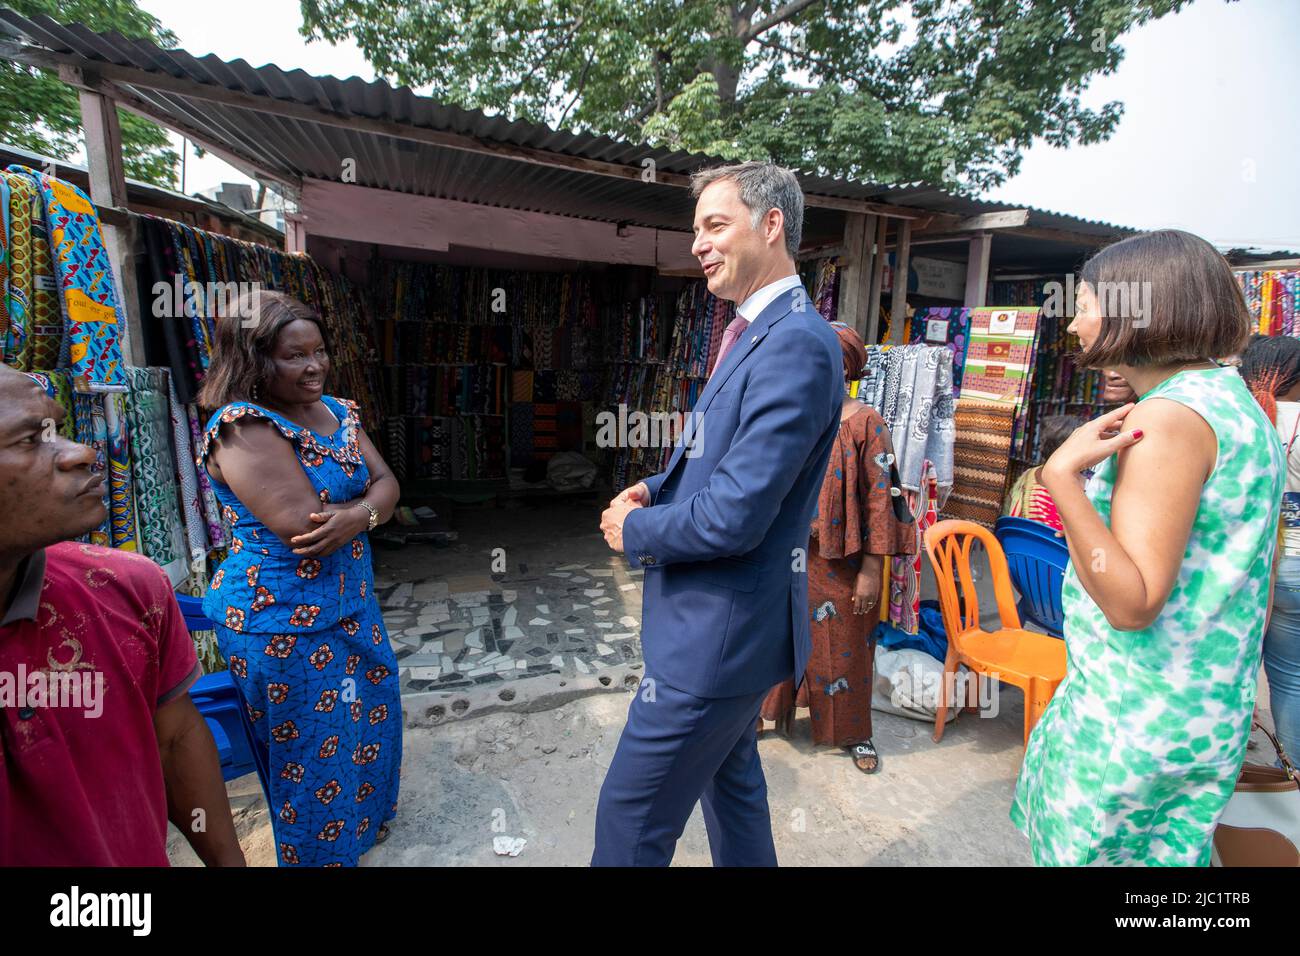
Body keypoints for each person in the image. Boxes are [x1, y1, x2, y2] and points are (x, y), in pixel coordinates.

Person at [593, 162, 842, 866]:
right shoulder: (757, 331)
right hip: (731, 633)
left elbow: (736, 515)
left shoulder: (794, 342)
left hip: (715, 642)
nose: (698, 244)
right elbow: (721, 459)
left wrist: (633, 530)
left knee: (630, 819)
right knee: (733, 796)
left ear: (772, 225)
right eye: (695, 229)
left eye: (714, 225)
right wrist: (654, 486)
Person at [1011, 229, 1284, 866]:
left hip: (1134, 725)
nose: (1074, 324)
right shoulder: (1235, 405)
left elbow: (1132, 604)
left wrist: (1060, 478)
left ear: (1136, 310)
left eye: (1084, 303)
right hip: (1192, 711)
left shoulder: (1164, 420)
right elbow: (1258, 580)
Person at [0, 365, 244, 866]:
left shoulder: (125, 588)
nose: (83, 452)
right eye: (30, 439)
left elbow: (174, 739)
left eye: (56, 429)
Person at [197, 291, 402, 867]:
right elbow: (304, 525)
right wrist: (367, 509)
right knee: (310, 752)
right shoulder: (242, 427)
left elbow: (388, 483)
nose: (314, 366)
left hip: (350, 601)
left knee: (369, 713)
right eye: (294, 356)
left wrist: (361, 513)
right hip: (282, 621)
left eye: (319, 351)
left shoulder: (339, 410)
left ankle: (361, 829)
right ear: (254, 360)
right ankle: (321, 857)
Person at [758, 322, 915, 774]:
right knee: (777, 638)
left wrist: (871, 570)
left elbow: (883, 501)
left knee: (845, 643)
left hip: (843, 563)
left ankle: (853, 732)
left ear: (844, 367)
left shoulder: (867, 422)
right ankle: (761, 713)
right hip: (789, 556)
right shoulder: (793, 418)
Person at [1239, 334, 1300, 761]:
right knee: (1291, 677)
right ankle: (1291, 774)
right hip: (1295, 566)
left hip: (1247, 562)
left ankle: (1229, 757)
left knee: (1235, 668)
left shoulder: (1242, 416)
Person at [1002, 415, 1085, 533]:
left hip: (1017, 541)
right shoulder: (1075, 483)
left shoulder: (1029, 474)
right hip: (1051, 547)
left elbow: (1008, 508)